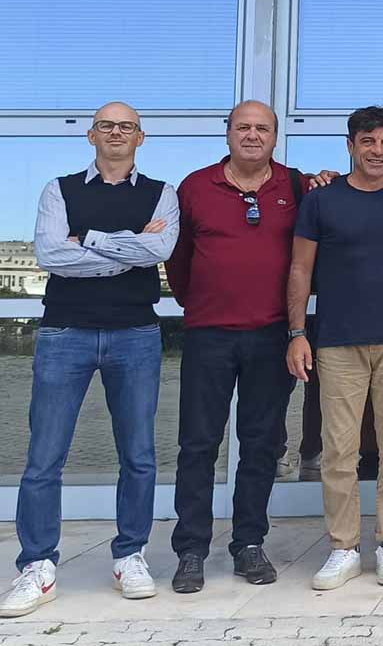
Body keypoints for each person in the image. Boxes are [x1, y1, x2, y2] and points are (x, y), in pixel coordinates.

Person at [0, 102, 178, 618]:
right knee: (44, 457)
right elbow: (51, 255)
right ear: (91, 135)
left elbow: (158, 250)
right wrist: (127, 249)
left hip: (136, 334)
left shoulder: (161, 193)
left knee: (139, 455)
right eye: (107, 125)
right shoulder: (59, 189)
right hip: (64, 332)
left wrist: (94, 243)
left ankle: (130, 555)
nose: (116, 133)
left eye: (126, 126)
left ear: (140, 138)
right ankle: (36, 565)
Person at [166, 100, 312, 594]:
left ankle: (249, 542)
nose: (252, 135)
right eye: (243, 127)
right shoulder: (195, 187)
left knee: (260, 445)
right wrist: (203, 305)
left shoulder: (294, 186)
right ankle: (190, 549)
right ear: (227, 133)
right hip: (209, 334)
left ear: (275, 136)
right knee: (198, 445)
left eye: (262, 128)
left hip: (272, 336)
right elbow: (178, 260)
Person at [286, 106, 383, 591]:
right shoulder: (322, 201)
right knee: (339, 451)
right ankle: (343, 547)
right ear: (351, 145)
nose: (377, 150)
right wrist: (297, 331)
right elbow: (301, 270)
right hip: (337, 341)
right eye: (368, 141)